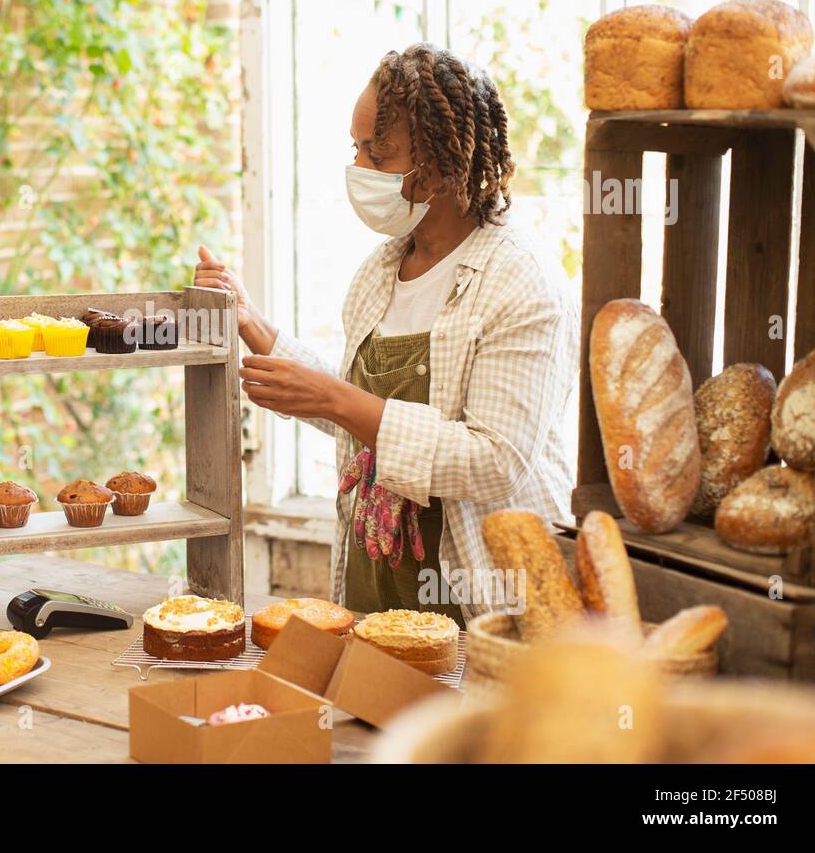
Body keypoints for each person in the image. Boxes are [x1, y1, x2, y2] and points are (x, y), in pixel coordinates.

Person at [195, 42, 578, 624]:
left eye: (380, 153)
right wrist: (255, 325)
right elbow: (364, 417)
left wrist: (333, 398)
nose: (360, 171)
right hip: (380, 601)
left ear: (445, 161)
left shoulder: (519, 281)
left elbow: (495, 462)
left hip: (481, 608)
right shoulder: (379, 272)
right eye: (358, 150)